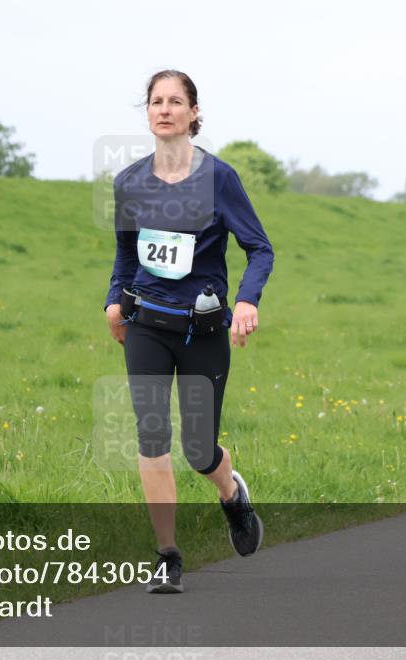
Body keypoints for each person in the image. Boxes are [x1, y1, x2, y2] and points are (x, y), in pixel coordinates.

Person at [103, 70, 275, 593]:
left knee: (200, 451)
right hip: (146, 325)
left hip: (202, 331)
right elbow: (127, 253)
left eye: (176, 101)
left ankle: (231, 496)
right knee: (152, 437)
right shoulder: (130, 181)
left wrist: (246, 300)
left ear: (194, 113)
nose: (165, 109)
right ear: (148, 112)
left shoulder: (219, 178)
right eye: (156, 101)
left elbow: (259, 248)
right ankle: (167, 555)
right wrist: (115, 300)